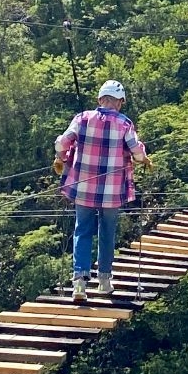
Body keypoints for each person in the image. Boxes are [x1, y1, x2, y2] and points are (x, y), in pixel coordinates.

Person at [53, 79, 151, 301]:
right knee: (107, 233)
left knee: (82, 231)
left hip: (83, 187)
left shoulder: (82, 118)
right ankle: (104, 282)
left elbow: (62, 144)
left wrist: (61, 157)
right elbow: (136, 152)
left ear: (99, 100)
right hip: (112, 191)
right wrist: (143, 158)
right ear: (119, 103)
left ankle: (79, 283)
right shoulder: (125, 124)